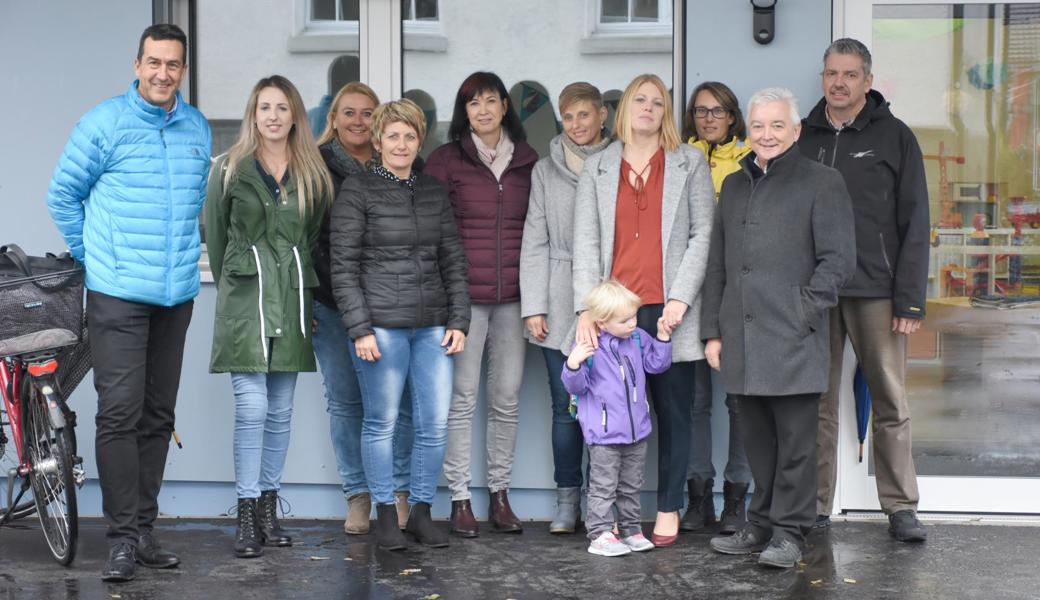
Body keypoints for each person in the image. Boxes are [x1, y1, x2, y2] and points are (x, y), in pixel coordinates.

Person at [47, 24, 211, 582]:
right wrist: (96, 262)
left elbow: (192, 206)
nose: (163, 73)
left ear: (182, 71)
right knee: (119, 414)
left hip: (176, 295)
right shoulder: (104, 123)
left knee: (158, 415)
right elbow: (62, 195)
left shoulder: (196, 128)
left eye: (173, 65)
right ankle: (118, 538)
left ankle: (143, 530)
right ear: (137, 64)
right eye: (154, 63)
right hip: (117, 294)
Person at [701, 87, 856, 569]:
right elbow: (718, 265)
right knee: (757, 442)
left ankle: (791, 531)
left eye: (776, 125)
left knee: (795, 444)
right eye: (759, 126)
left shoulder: (821, 182)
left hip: (794, 334)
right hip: (742, 335)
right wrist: (713, 330)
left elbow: (838, 262)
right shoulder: (733, 185)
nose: (766, 135)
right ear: (748, 129)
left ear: (795, 130)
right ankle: (762, 522)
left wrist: (803, 311)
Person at [572, 73, 715, 547]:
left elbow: (702, 235)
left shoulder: (688, 163)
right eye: (641, 100)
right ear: (625, 108)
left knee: (675, 412)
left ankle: (669, 506)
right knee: (607, 416)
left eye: (658, 102)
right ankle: (608, 516)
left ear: (666, 112)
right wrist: (586, 309)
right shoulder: (598, 167)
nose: (649, 108)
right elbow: (586, 242)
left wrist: (681, 298)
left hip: (668, 309)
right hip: (613, 313)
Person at [799, 38, 930, 542]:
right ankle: (814, 508)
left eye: (850, 74)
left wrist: (910, 298)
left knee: (890, 400)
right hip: (817, 292)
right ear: (823, 78)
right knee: (817, 403)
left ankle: (900, 507)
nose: (839, 83)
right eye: (832, 73)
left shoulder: (895, 137)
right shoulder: (802, 137)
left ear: (868, 81)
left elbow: (916, 221)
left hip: (877, 289)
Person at [330, 98, 470, 551]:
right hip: (383, 328)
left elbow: (452, 258)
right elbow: (343, 266)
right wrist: (360, 328)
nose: (402, 143)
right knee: (382, 423)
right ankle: (387, 515)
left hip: (432, 327)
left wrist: (459, 318)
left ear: (419, 139)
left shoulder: (432, 190)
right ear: (378, 140)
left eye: (410, 135)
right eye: (392, 135)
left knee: (433, 423)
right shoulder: (357, 189)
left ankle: (422, 513)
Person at [205, 75, 331, 559]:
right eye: (264, 108)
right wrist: (240, 285)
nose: (273, 116)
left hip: (294, 298)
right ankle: (245, 510)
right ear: (252, 115)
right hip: (246, 300)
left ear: (295, 114)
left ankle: (267, 512)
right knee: (253, 406)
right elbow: (217, 239)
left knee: (279, 413)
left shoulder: (311, 173)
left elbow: (311, 235)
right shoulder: (229, 169)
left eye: (282, 107)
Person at [426, 72, 538, 537]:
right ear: (464, 111)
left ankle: (500, 495)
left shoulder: (529, 161)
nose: (483, 110)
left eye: (491, 101)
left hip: (515, 298)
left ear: (505, 107)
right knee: (462, 399)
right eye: (473, 103)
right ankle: (458, 499)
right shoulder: (446, 160)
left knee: (507, 399)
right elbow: (431, 230)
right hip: (463, 301)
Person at [313, 82, 414, 535]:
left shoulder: (399, 163)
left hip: (391, 307)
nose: (358, 120)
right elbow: (304, 238)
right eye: (349, 112)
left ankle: (396, 493)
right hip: (331, 305)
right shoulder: (313, 167)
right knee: (345, 402)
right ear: (333, 118)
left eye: (368, 113)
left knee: (399, 404)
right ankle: (357, 495)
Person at [519, 82, 611, 534]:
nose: (576, 125)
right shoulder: (544, 170)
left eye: (584, 115)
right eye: (568, 116)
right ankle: (566, 500)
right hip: (556, 298)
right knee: (567, 406)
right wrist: (534, 304)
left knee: (608, 404)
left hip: (607, 299)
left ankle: (603, 501)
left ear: (603, 116)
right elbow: (533, 240)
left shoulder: (619, 161)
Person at [680, 81, 754, 533]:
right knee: (694, 403)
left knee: (740, 402)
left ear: (732, 116)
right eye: (701, 110)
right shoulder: (678, 159)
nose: (709, 118)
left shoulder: (748, 160)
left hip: (733, 293)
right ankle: (697, 496)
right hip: (688, 294)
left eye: (718, 110)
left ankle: (736, 499)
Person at [561, 281, 673, 557]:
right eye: (624, 320)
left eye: (634, 316)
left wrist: (662, 338)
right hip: (604, 435)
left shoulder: (637, 338)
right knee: (603, 487)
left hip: (636, 432)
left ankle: (630, 529)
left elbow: (656, 365)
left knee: (631, 486)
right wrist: (573, 363)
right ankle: (599, 533)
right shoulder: (589, 346)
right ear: (602, 322)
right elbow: (575, 387)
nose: (632, 323)